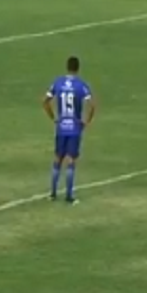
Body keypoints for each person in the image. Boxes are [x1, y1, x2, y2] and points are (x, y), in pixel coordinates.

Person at [44, 56, 95, 204]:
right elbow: (92, 105)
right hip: (74, 128)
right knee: (71, 160)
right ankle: (69, 196)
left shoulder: (58, 83)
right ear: (78, 68)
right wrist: (86, 121)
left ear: (67, 67)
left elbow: (45, 101)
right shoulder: (81, 85)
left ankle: (52, 194)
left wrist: (53, 118)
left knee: (57, 159)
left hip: (61, 127)